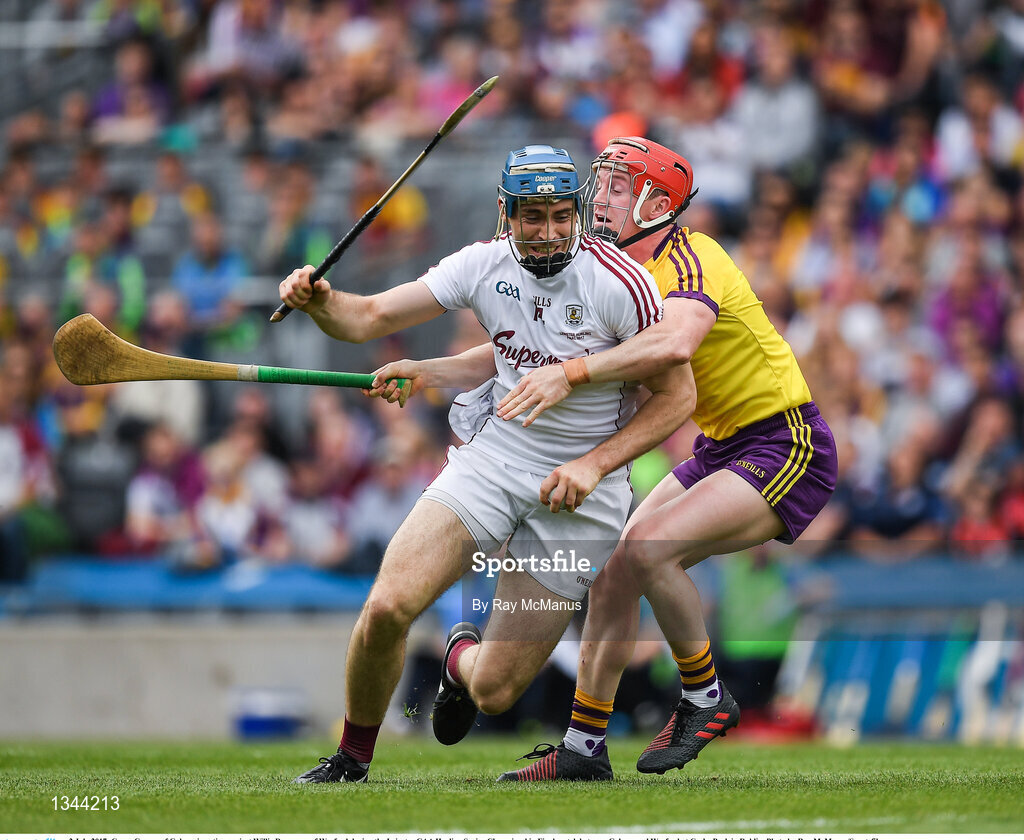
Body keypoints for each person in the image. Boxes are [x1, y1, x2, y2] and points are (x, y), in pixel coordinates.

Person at [278, 144, 695, 783]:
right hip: (494, 460)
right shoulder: (482, 266)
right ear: (506, 212)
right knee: (389, 606)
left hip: (581, 497)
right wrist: (319, 299)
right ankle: (352, 757)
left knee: (495, 692)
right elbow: (367, 318)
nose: (550, 231)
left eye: (561, 215)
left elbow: (677, 397)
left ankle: (458, 662)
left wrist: (594, 465)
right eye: (533, 216)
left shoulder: (622, 285)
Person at [486, 137, 838, 780]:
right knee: (619, 563)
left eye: (619, 187)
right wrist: (433, 371)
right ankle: (583, 748)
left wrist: (571, 371)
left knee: (649, 545)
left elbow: (675, 344)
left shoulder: (693, 258)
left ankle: (706, 697)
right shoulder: (616, 271)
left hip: (786, 442)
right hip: (722, 445)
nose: (600, 198)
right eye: (604, 183)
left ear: (656, 202)